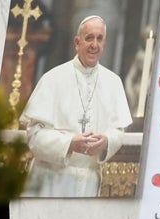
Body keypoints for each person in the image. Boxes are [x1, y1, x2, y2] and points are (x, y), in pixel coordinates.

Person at [20, 15, 133, 197]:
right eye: (89, 38)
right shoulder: (53, 78)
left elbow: (118, 131)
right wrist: (70, 143)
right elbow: (34, 137)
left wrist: (106, 141)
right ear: (77, 42)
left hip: (88, 182)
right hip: (50, 179)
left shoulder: (114, 82)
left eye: (99, 38)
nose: (94, 45)